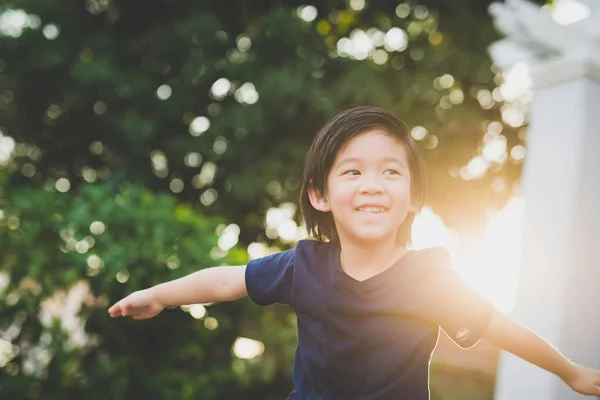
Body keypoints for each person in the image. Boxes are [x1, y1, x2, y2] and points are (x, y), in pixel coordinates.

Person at [109, 106, 600, 399]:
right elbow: (225, 281)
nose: (373, 185)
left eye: (391, 172)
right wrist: (158, 294)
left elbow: (501, 328)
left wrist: (572, 372)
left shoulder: (430, 278)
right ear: (320, 195)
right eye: (352, 172)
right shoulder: (303, 265)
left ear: (413, 198)